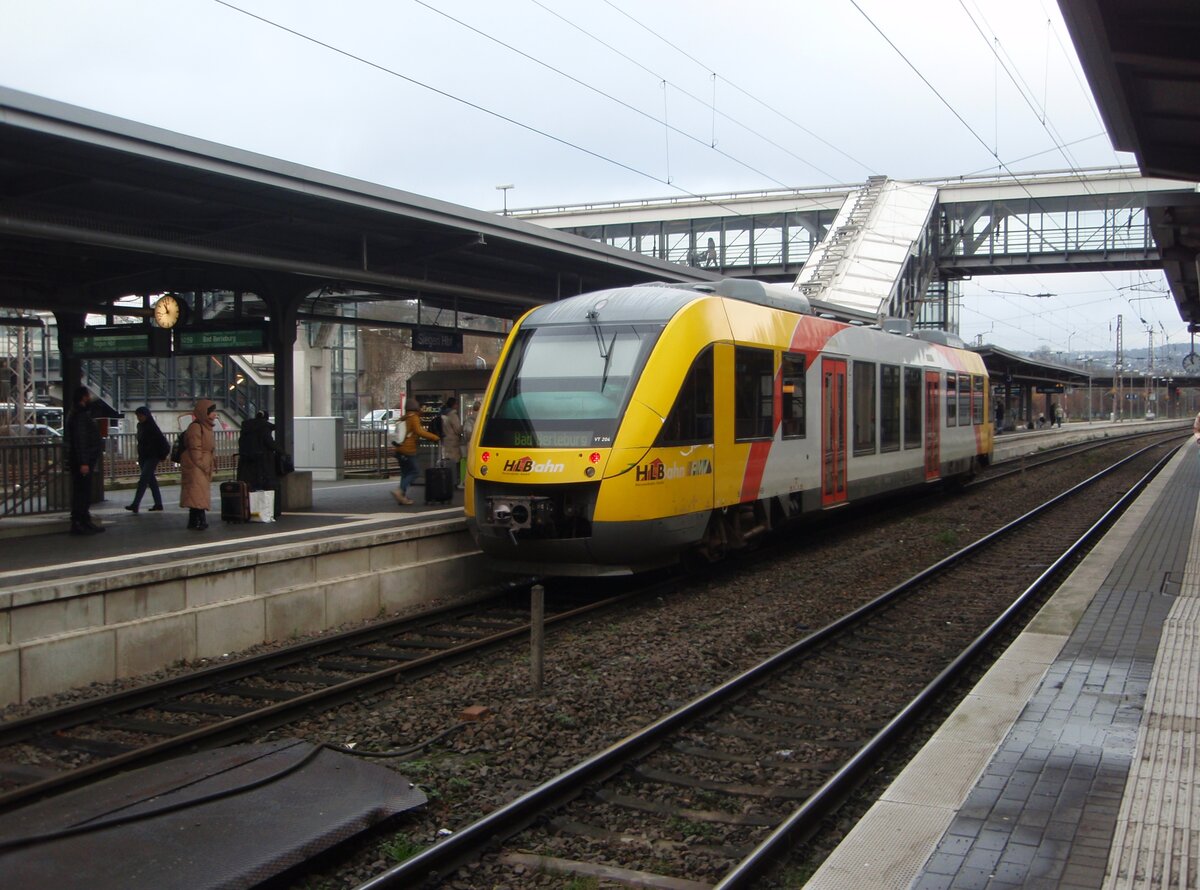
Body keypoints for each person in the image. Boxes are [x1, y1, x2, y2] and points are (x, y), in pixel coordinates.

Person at [65, 385, 105, 535]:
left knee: (82, 492)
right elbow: (81, 440)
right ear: (83, 397)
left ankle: (84, 520)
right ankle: (79, 522)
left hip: (83, 459)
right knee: (82, 492)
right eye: (87, 395)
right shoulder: (80, 415)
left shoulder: (76, 413)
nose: (89, 398)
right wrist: (84, 462)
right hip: (83, 461)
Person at [237, 410, 283, 518]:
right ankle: (263, 512)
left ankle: (249, 511)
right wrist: (282, 452)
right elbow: (270, 443)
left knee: (250, 487)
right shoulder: (264, 428)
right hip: (263, 463)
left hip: (246, 463)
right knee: (265, 486)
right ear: (265, 418)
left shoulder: (246, 428)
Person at [392, 399, 439, 506]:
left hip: (399, 449)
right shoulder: (414, 417)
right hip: (408, 450)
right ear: (416, 408)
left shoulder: (404, 418)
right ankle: (400, 491)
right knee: (415, 471)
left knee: (405, 473)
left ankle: (402, 497)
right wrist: (434, 437)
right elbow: (419, 431)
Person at [180, 398, 217, 530]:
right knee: (197, 493)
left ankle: (195, 520)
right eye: (212, 412)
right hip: (196, 466)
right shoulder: (196, 427)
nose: (215, 415)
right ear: (204, 413)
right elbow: (195, 448)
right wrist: (202, 463)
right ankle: (199, 520)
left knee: (197, 494)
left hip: (202, 464)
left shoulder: (206, 427)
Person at [125, 406, 166, 513]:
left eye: (141, 415)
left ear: (146, 415)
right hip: (143, 457)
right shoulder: (140, 426)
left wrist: (162, 455)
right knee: (151, 480)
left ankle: (135, 504)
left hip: (152, 456)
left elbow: (162, 441)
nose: (139, 418)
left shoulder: (152, 427)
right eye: (138, 416)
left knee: (143, 480)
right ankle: (158, 504)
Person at [440, 396, 465, 489]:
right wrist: (464, 426)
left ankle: (448, 481)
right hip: (453, 442)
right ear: (454, 405)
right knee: (455, 462)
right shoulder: (453, 415)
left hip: (446, 441)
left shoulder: (444, 415)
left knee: (449, 462)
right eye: (457, 404)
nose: (458, 406)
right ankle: (455, 482)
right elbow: (458, 429)